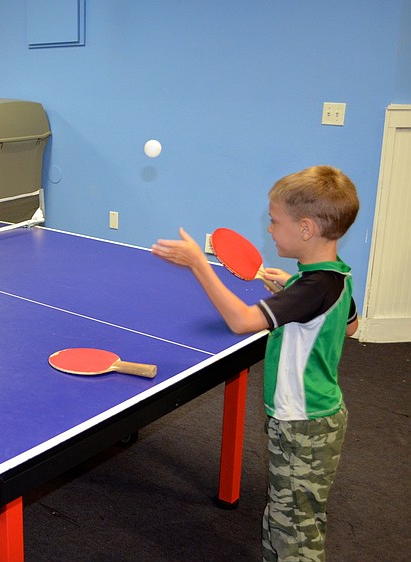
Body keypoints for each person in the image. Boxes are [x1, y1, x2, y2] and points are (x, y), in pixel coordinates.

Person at [151, 165, 359, 562]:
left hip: (303, 423)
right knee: (290, 513)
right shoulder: (334, 276)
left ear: (306, 229)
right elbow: (350, 326)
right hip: (318, 414)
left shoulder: (313, 287)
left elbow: (241, 321)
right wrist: (291, 286)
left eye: (274, 221)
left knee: (295, 528)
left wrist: (198, 264)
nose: (268, 228)